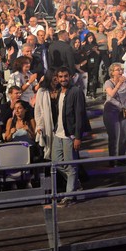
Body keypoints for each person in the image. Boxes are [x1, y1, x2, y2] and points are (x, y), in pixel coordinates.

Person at [50, 66, 89, 206]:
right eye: (60, 77)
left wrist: (78, 137)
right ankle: (75, 183)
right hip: (58, 133)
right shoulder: (60, 92)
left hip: (70, 135)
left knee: (71, 166)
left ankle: (69, 196)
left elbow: (80, 115)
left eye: (65, 76)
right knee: (56, 163)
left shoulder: (76, 91)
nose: (63, 79)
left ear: (71, 76)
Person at [103, 63, 126, 165]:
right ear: (112, 72)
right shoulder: (108, 82)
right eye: (117, 70)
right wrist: (119, 83)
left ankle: (121, 158)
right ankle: (113, 159)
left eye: (121, 69)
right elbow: (111, 94)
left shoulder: (125, 81)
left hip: (123, 111)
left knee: (125, 136)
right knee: (114, 136)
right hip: (111, 112)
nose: (120, 71)